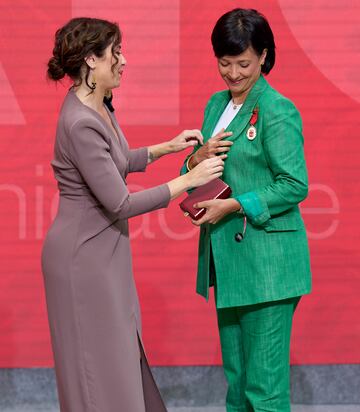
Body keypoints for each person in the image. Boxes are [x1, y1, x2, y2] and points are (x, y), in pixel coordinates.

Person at [42, 17, 225, 412]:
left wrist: (167, 147)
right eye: (116, 52)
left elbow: (118, 159)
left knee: (119, 358)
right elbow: (120, 202)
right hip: (82, 260)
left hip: (102, 252)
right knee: (99, 369)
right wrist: (188, 178)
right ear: (92, 59)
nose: (123, 61)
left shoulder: (97, 104)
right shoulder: (79, 122)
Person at [180, 8, 311, 412]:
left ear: (264, 57)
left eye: (243, 63)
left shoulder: (277, 109)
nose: (233, 73)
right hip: (230, 262)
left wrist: (236, 205)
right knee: (237, 389)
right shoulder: (215, 105)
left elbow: (295, 185)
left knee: (264, 392)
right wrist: (193, 159)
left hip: (268, 267)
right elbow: (202, 170)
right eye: (224, 63)